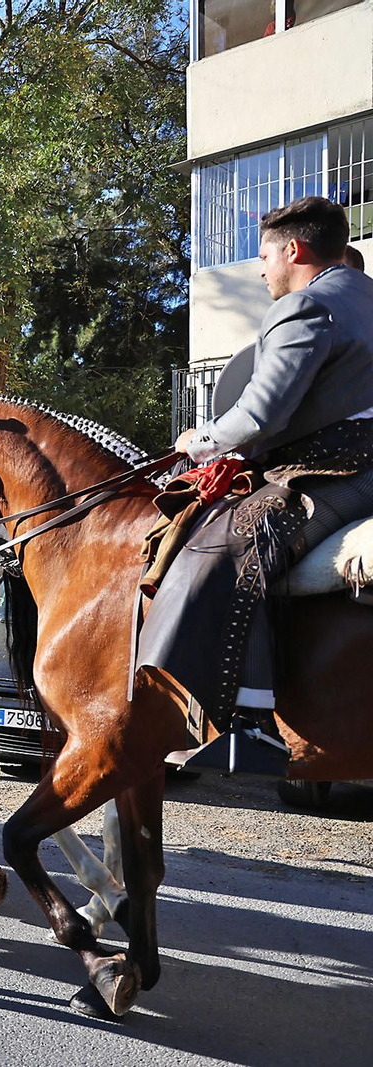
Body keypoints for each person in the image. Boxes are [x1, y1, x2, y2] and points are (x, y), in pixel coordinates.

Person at [141, 196, 373, 773]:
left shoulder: (305, 307)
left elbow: (261, 415)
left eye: (264, 256)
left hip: (337, 473)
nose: (262, 270)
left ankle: (248, 721)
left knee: (221, 546)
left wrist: (199, 440)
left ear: (294, 250)